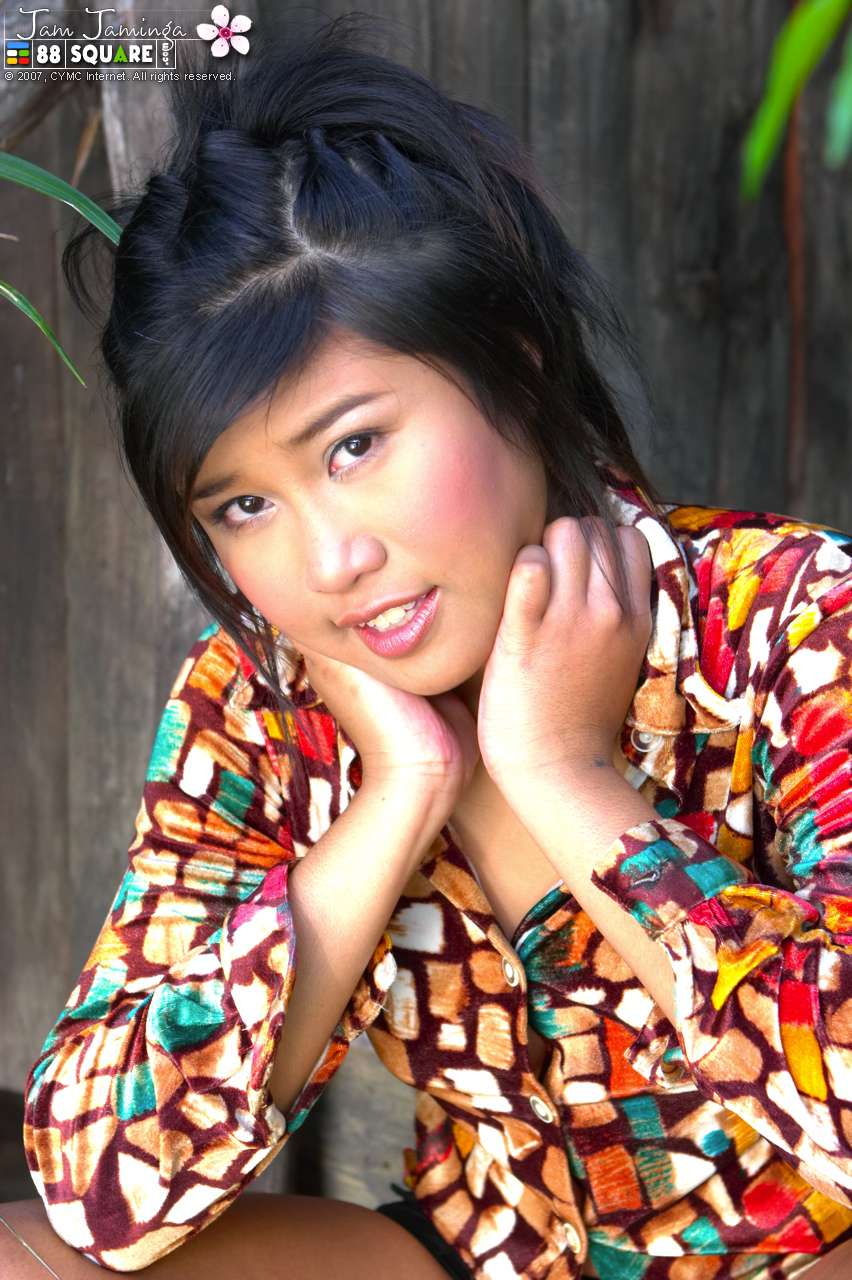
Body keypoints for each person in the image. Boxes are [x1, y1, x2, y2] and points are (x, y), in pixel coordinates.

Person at [6, 13, 852, 1279]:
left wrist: (568, 776)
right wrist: (396, 796)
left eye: (355, 445)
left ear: (513, 361)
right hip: (484, 1250)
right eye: (245, 505)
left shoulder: (789, 619)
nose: (329, 559)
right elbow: (95, 1184)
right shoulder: (261, 707)